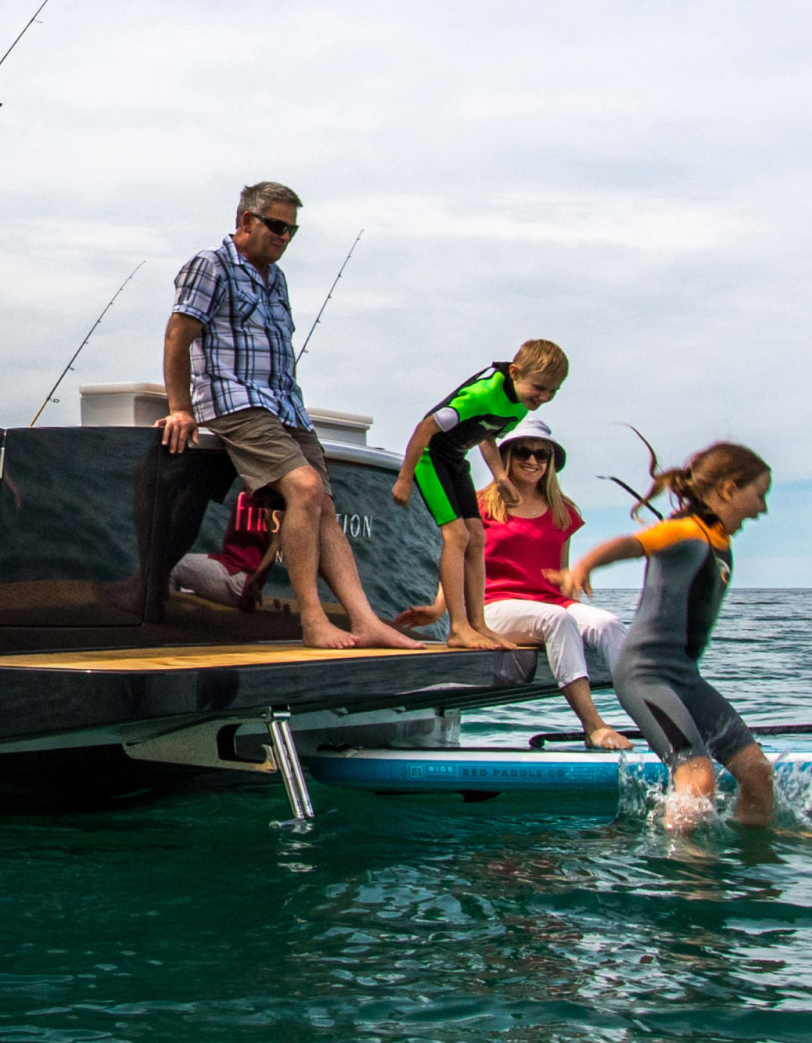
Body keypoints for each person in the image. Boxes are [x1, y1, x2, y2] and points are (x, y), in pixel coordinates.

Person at [159, 182, 421, 650]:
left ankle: (364, 619)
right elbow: (178, 334)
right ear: (245, 221)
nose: (284, 238)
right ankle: (313, 621)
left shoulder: (274, 278)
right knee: (304, 488)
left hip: (285, 406)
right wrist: (180, 408)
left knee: (323, 504)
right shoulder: (210, 265)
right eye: (277, 226)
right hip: (236, 402)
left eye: (292, 231)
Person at [561, 440, 777, 828]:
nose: (762, 508)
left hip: (685, 679)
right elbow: (630, 544)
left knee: (757, 771)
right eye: (759, 495)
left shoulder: (717, 541)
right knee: (697, 777)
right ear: (729, 490)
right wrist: (584, 566)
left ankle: (756, 853)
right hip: (646, 676)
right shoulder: (684, 533)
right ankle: (687, 879)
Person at [397, 419, 634, 748]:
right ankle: (594, 725)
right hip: (493, 606)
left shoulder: (563, 511)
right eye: (523, 451)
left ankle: (653, 717)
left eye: (542, 455)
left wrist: (576, 580)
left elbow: (560, 572)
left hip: (551, 603)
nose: (533, 461)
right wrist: (439, 609)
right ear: (506, 455)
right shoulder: (479, 505)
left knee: (608, 623)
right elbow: (458, 557)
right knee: (557, 620)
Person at [390, 341, 570, 650]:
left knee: (477, 536)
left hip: (457, 458)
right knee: (457, 535)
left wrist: (501, 478)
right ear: (514, 373)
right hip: (430, 457)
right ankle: (458, 627)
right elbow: (424, 428)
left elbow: (486, 435)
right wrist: (404, 479)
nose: (544, 398)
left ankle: (479, 625)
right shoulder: (482, 394)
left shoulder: (518, 407)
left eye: (552, 392)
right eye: (539, 388)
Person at [170, 489, 278, 609]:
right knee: (179, 565)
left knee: (172, 567)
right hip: (231, 567)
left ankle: (163, 617)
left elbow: (276, 544)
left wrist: (255, 582)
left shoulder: (268, 496)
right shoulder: (252, 489)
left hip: (239, 580)